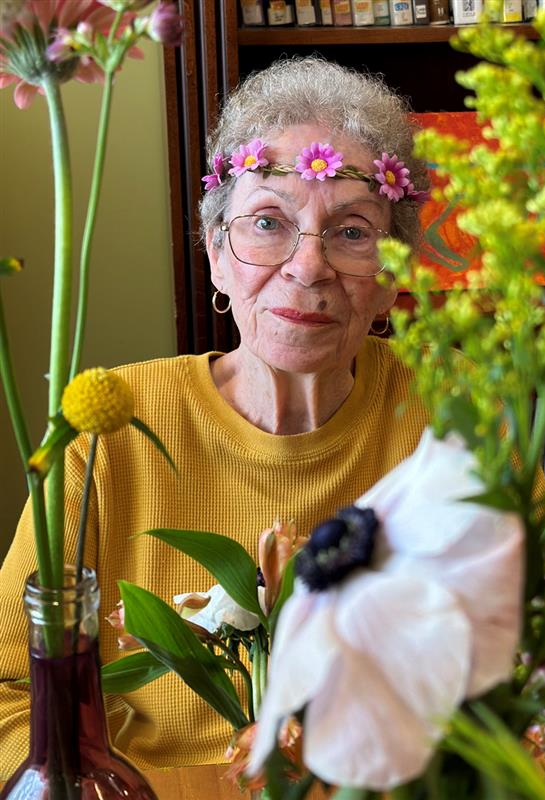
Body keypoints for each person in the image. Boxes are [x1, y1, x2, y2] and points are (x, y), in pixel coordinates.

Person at [0, 56, 438, 776]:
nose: (308, 266)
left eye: (352, 232)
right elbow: (13, 691)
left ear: (393, 280)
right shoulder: (107, 435)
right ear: (216, 256)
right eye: (268, 221)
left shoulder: (448, 422)